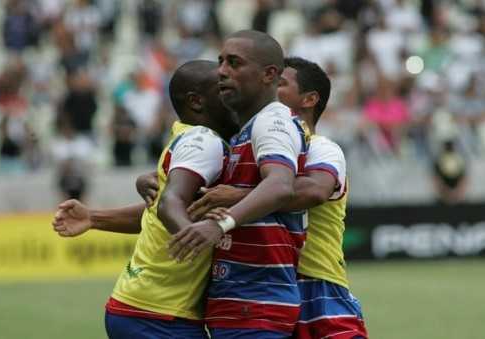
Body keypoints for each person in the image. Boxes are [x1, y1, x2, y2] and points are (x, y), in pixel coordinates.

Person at [181, 57, 369, 338]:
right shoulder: (254, 145)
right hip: (264, 289)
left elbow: (315, 190)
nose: (268, 87)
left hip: (317, 285)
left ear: (309, 99)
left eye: (280, 83)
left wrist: (237, 195)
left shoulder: (323, 148)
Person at [51, 60, 239, 339]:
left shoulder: (186, 138)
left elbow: (160, 209)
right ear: (197, 102)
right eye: (222, 89)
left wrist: (94, 218)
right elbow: (168, 205)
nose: (232, 94)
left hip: (140, 306)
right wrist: (198, 236)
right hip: (158, 314)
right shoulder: (204, 141)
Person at [167, 30, 308, 338]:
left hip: (256, 304)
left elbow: (281, 185)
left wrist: (220, 226)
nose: (221, 71)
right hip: (239, 302)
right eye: (220, 62)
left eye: (234, 63)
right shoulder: (243, 131)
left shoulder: (272, 122)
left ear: (269, 74)